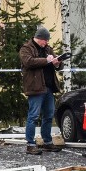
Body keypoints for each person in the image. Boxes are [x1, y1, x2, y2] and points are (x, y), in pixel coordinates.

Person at [19, 25, 64, 155]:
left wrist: (57, 63)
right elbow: (28, 62)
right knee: (33, 116)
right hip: (35, 88)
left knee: (49, 116)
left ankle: (47, 142)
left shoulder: (48, 49)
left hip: (48, 88)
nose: (47, 43)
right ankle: (30, 144)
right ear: (40, 38)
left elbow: (57, 64)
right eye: (46, 40)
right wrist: (46, 60)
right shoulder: (26, 48)